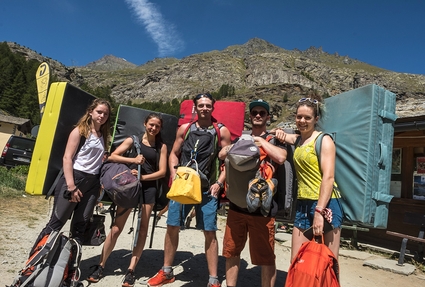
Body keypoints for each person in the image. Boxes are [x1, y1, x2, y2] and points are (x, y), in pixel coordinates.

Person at [147, 93, 231, 287]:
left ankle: (213, 280)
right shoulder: (185, 129)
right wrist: (173, 174)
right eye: (200, 105)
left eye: (208, 105)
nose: (204, 108)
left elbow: (227, 161)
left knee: (209, 231)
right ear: (195, 107)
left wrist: (219, 182)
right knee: (172, 226)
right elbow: (174, 154)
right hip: (183, 186)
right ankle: (166, 271)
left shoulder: (221, 131)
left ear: (213, 107)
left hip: (207, 190)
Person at [87, 113, 168, 287]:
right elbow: (112, 156)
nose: (153, 128)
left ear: (160, 128)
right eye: (151, 124)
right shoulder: (133, 140)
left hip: (148, 188)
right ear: (145, 124)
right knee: (116, 228)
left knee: (142, 229)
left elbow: (162, 172)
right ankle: (101, 265)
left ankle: (131, 270)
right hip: (129, 187)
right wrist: (133, 160)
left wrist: (143, 179)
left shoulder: (162, 147)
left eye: (157, 126)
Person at [219, 99, 287, 287]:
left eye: (262, 113)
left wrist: (261, 142)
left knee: (266, 258)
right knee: (231, 252)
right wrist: (241, 144)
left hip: (262, 211)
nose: (258, 115)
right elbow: (222, 154)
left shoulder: (274, 139)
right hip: (236, 206)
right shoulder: (241, 139)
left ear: (268, 117)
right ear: (250, 116)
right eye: (254, 112)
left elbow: (281, 157)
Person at [31, 98, 111, 249]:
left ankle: (70, 265)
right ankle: (34, 263)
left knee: (81, 226)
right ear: (90, 112)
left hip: (92, 183)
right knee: (56, 223)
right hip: (75, 179)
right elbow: (67, 158)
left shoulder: (103, 135)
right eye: (99, 112)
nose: (102, 116)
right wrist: (71, 186)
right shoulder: (79, 131)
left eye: (105, 114)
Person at [275, 95, 343, 264]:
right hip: (303, 204)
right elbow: (287, 137)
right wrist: (271, 134)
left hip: (326, 205)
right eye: (299, 117)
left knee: (328, 262)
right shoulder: (299, 139)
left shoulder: (324, 140)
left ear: (316, 119)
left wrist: (319, 212)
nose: (302, 121)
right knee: (297, 260)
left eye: (307, 117)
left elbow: (328, 177)